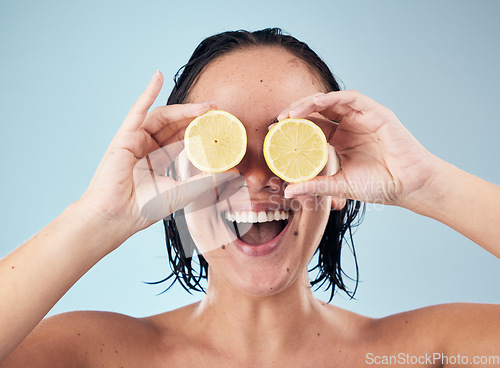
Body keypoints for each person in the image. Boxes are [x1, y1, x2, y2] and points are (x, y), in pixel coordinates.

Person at [1, 28, 499, 367]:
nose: (258, 178)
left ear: (341, 181)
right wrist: (96, 219)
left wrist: (427, 184)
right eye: (223, 148)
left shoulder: (431, 353)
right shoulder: (92, 356)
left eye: (291, 146)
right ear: (172, 179)